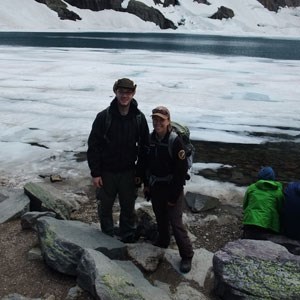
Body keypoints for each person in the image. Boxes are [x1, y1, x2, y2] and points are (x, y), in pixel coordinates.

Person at [87, 78, 149, 243]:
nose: (124, 96)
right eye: (121, 92)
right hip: (106, 172)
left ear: (133, 93)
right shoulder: (103, 117)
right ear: (115, 92)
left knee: (128, 208)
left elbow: (145, 148)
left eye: (128, 92)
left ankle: (127, 236)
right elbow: (93, 146)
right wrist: (96, 173)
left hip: (129, 172)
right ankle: (107, 237)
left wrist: (140, 172)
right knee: (105, 207)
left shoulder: (139, 118)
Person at [144, 106, 194, 273]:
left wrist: (174, 196)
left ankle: (187, 255)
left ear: (168, 121)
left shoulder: (175, 141)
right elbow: (147, 164)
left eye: (161, 120)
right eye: (155, 119)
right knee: (160, 216)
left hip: (172, 187)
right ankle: (163, 240)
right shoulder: (151, 139)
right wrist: (147, 185)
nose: (157, 122)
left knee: (176, 222)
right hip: (156, 186)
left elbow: (181, 172)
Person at [242, 166, 284, 240]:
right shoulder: (278, 191)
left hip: (250, 222)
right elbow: (281, 209)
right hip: (268, 225)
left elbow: (245, 204)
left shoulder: (252, 187)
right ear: (273, 177)